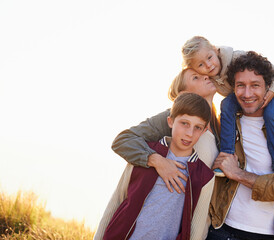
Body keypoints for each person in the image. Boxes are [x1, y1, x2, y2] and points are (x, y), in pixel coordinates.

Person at [94, 69, 220, 240]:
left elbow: (197, 228)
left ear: (204, 130)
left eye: (197, 127)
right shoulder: (144, 154)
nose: (190, 133)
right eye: (184, 123)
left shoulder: (204, 176)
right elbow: (116, 202)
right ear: (170, 121)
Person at [207, 51, 274, 240]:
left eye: (255, 85)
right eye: (240, 86)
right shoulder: (226, 123)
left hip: (269, 235)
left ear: (268, 87)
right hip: (221, 229)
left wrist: (237, 174)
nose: (247, 94)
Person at [182, 36, 274, 177]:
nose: (208, 65)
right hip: (244, 95)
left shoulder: (236, 57)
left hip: (271, 87)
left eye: (209, 57)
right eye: (200, 65)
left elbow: (268, 68)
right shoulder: (210, 76)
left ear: (215, 49)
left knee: (271, 115)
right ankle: (227, 154)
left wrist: (272, 91)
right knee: (226, 105)